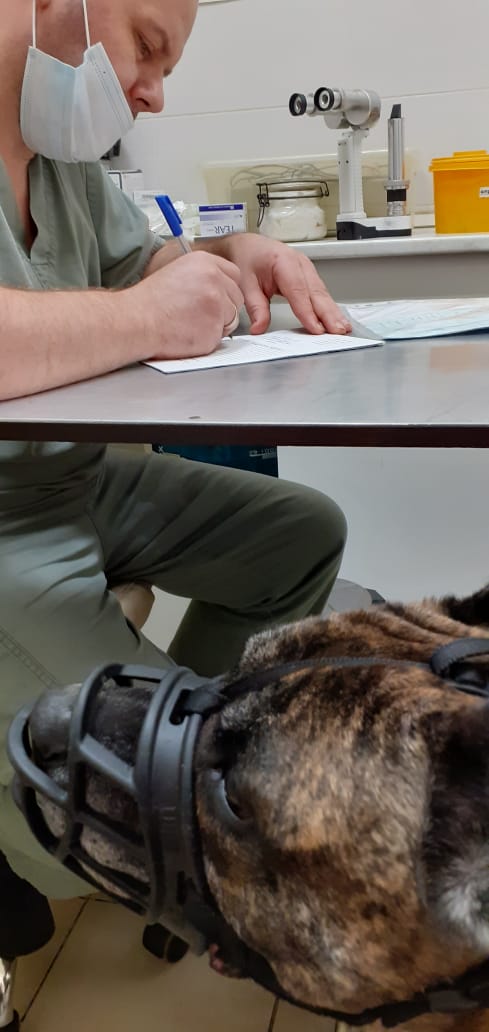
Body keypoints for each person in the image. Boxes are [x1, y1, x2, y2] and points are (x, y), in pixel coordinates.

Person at [0, 0, 349, 898]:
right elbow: (128, 311)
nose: (152, 94)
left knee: (300, 533)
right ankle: (105, 824)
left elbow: (137, 266)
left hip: (69, 478)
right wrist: (143, 318)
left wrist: (230, 257)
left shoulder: (58, 165)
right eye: (147, 48)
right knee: (158, 794)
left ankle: (182, 749)